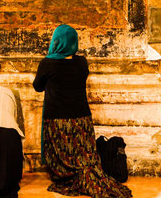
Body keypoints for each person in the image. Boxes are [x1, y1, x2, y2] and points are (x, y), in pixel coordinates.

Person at [33, 24, 132, 198]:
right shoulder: (81, 63)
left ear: (56, 41)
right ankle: (87, 173)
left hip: (58, 120)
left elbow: (38, 87)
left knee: (63, 152)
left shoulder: (47, 63)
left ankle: (65, 173)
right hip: (82, 119)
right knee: (83, 155)